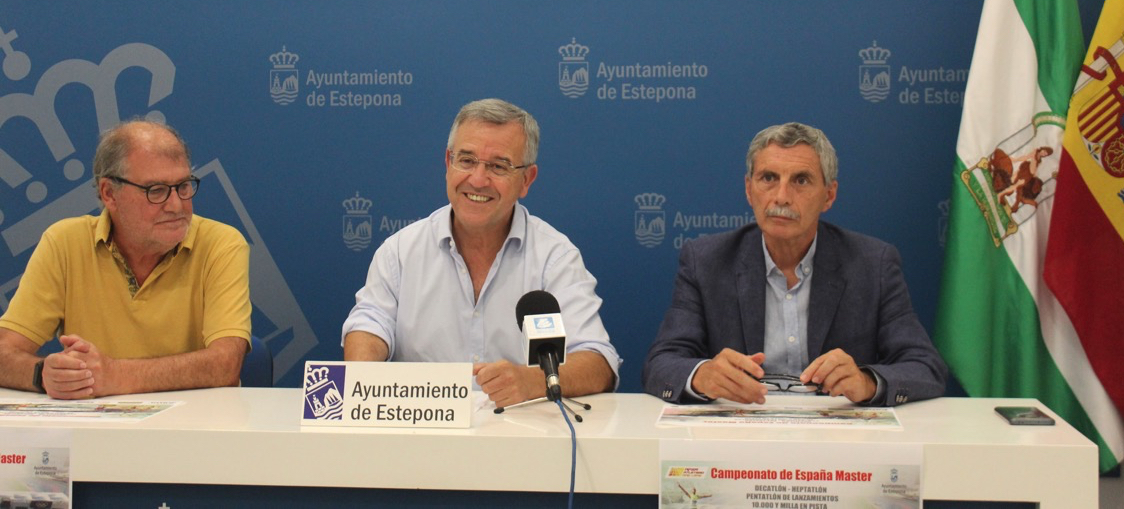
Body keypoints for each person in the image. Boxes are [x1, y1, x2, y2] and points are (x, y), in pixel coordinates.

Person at [642, 122, 946, 406]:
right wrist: (702, 374)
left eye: (801, 180)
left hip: (836, 443)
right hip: (740, 435)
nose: (782, 197)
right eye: (768, 178)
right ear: (749, 189)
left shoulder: (872, 264)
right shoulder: (706, 260)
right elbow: (662, 363)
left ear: (829, 195)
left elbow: (924, 368)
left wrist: (867, 381)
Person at [342, 98, 619, 408]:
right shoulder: (400, 252)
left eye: (498, 166)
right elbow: (368, 327)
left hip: (521, 440)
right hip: (421, 438)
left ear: (526, 180)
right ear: (448, 164)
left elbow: (598, 363)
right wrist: (362, 379)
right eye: (467, 160)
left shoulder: (554, 257)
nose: (478, 179)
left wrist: (531, 382)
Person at [0, 119, 252, 399]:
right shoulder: (64, 242)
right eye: (156, 190)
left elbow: (225, 364)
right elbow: (4, 352)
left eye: (183, 186)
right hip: (93, 434)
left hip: (190, 431)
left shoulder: (221, 244)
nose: (177, 205)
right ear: (109, 193)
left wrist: (114, 375)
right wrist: (44, 373)